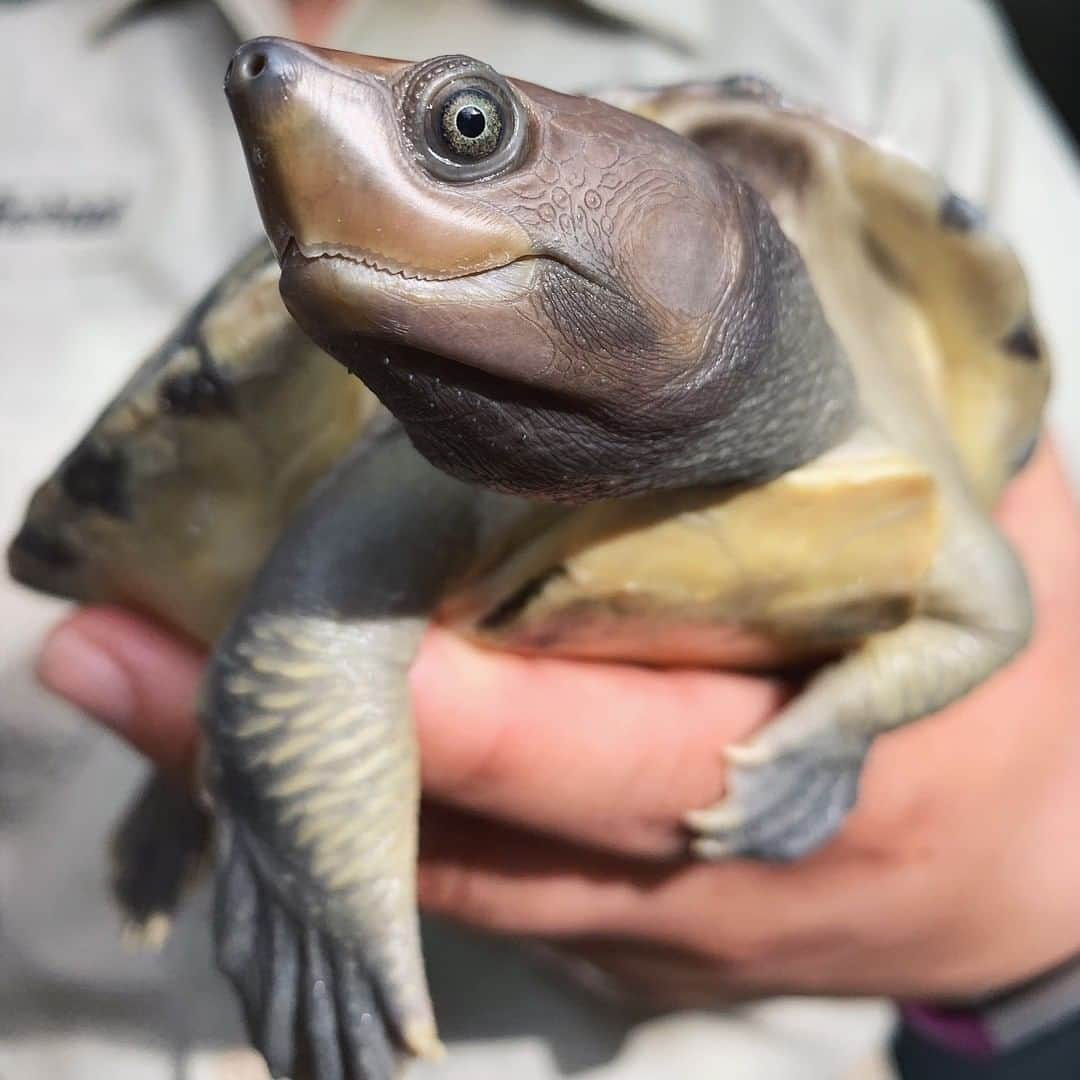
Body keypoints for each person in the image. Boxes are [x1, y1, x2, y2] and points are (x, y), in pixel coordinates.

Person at [2, 1, 1077, 1078]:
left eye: (466, 133)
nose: (287, 122)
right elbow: (307, 642)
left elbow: (994, 613)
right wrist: (288, 839)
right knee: (261, 656)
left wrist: (880, 773)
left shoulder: (883, 42)